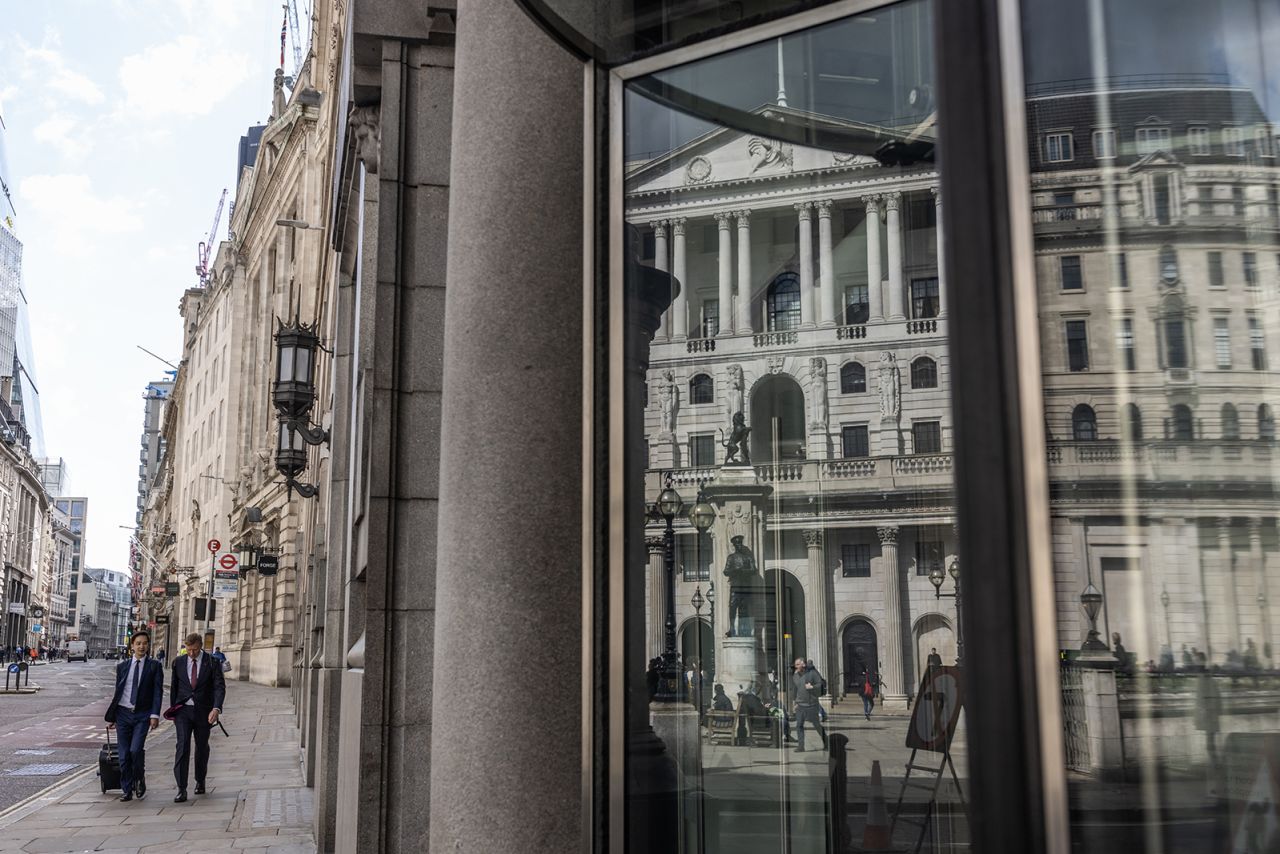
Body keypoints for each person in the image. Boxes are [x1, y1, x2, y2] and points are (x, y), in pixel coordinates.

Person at [106, 630, 163, 802]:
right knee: (124, 755)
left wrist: (154, 715)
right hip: (123, 713)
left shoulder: (154, 666)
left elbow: (157, 692)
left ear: (148, 645)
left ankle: (139, 778)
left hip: (142, 714)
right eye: (138, 643)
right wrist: (114, 717)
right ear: (132, 646)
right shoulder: (122, 667)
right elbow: (118, 692)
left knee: (135, 750)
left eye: (144, 643)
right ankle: (127, 789)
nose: (141, 646)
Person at [169, 633, 226, 803]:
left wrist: (216, 708)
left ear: (201, 646)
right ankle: (181, 788)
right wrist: (174, 710)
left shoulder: (212, 662)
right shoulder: (178, 662)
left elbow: (219, 687)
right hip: (183, 711)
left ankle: (200, 780)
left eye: (194, 650)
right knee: (182, 746)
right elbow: (174, 688)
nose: (191, 653)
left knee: (201, 747)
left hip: (204, 712)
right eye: (188, 649)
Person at [790, 657, 827, 753]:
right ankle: (801, 746)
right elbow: (795, 690)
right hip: (800, 705)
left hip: (811, 704)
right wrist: (794, 703)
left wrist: (812, 687)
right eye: (795, 665)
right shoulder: (795, 676)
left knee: (817, 725)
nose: (796, 666)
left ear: (803, 664)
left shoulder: (812, 673)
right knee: (799, 725)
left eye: (798, 664)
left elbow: (820, 684)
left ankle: (826, 742)